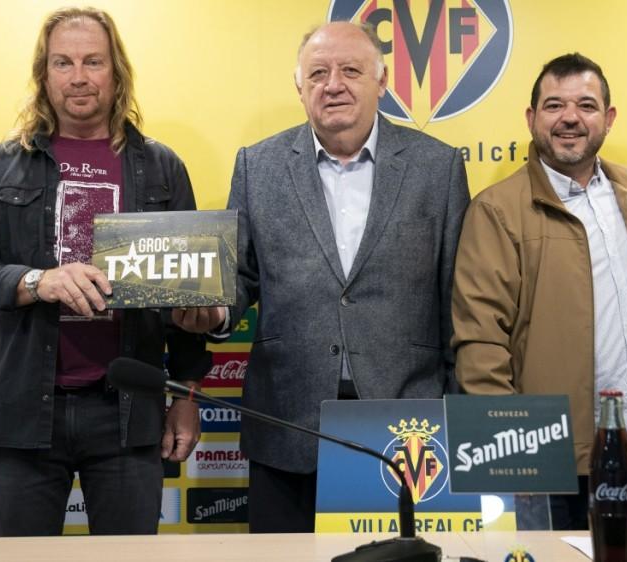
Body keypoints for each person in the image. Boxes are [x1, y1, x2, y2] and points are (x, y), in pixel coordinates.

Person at [174, 21, 469, 533]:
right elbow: (238, 275)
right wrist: (215, 313)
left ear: (382, 81)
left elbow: (456, 298)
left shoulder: (437, 167)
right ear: (299, 86)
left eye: (351, 70)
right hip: (287, 420)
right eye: (318, 73)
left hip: (409, 426)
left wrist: (459, 412)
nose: (333, 85)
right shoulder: (257, 165)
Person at [0, 7, 209, 536]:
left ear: (117, 71)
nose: (79, 77)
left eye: (93, 61)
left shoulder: (163, 168)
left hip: (126, 414)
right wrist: (37, 281)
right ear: (44, 75)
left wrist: (185, 397)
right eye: (62, 63)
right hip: (23, 409)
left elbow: (188, 296)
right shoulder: (3, 164)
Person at [451, 53, 627, 530]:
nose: (570, 117)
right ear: (531, 118)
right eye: (554, 105)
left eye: (586, 105)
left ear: (609, 118)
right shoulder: (496, 210)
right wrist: (512, 456)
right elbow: (481, 344)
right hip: (551, 460)